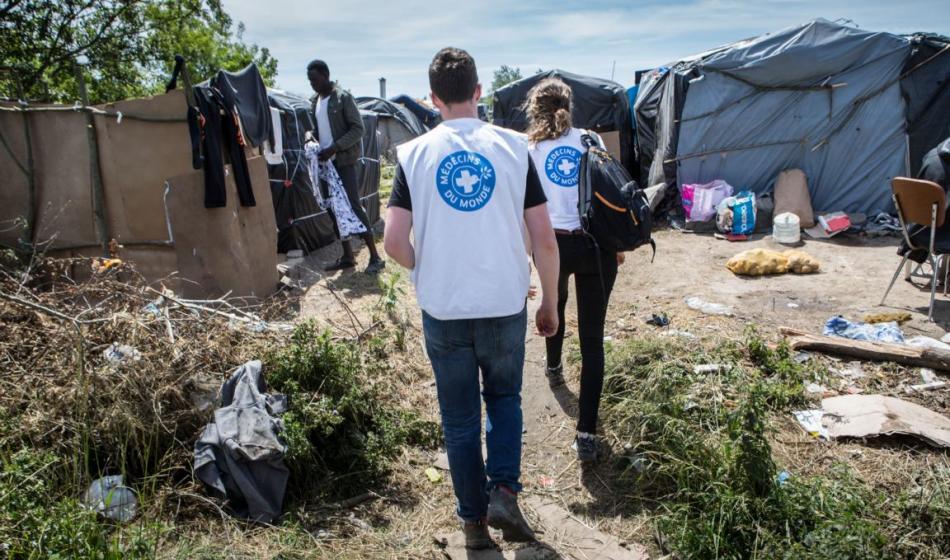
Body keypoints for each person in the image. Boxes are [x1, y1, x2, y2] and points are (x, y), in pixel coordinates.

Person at [384, 48, 559, 550]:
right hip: (504, 302)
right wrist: (549, 301)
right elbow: (544, 239)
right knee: (504, 399)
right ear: (479, 92)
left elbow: (395, 243)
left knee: (458, 418)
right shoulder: (513, 148)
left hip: (444, 310)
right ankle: (503, 488)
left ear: (433, 99)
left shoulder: (413, 155)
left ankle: (473, 525)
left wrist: (430, 265)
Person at [525, 77, 623, 462]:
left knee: (555, 304)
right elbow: (609, 192)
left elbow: (523, 212)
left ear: (537, 109)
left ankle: (552, 366)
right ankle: (586, 433)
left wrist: (523, 257)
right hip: (597, 243)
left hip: (553, 245)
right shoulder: (590, 140)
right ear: (570, 105)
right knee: (593, 338)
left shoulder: (531, 149)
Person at [307, 59, 385, 274]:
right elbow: (319, 129)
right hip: (324, 165)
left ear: (325, 75)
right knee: (333, 208)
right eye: (309, 81)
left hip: (343, 162)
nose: (312, 84)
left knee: (353, 205)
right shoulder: (315, 101)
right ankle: (348, 256)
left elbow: (358, 129)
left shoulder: (342, 98)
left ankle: (375, 257)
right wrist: (310, 136)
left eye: (314, 79)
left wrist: (335, 147)